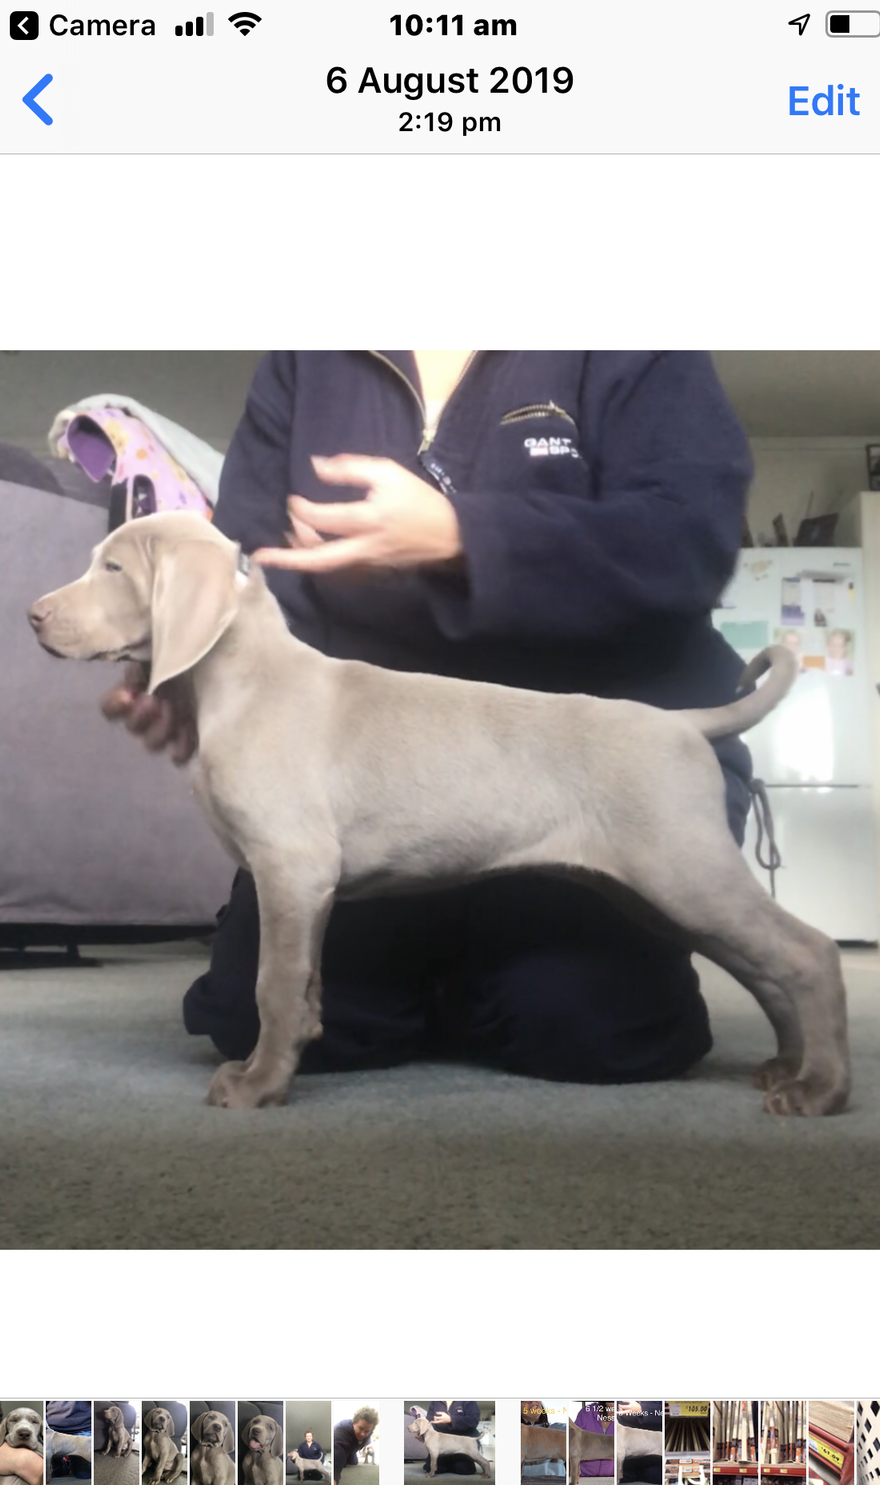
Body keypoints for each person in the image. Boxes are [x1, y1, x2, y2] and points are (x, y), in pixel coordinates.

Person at [103, 351, 754, 1087]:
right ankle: (445, 964)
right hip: (385, 782)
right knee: (249, 1016)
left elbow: (689, 540)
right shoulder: (304, 358)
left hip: (590, 764)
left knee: (589, 1031)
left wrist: (462, 535)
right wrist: (187, 671)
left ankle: (471, 967)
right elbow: (253, 571)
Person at [423, 1401, 482, 1476]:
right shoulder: (435, 1402)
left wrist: (451, 1419)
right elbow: (430, 1423)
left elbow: (473, 1420)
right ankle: (448, 1463)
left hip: (463, 1444)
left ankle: (454, 1463)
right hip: (442, 1445)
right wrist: (423, 1434)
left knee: (462, 1469)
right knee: (430, 1467)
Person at [333, 1406, 378, 1485]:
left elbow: (367, 1437)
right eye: (360, 1428)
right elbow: (339, 1450)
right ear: (353, 1424)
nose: (363, 1434)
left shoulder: (368, 1432)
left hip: (352, 1450)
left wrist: (369, 1444)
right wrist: (334, 1478)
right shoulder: (342, 1428)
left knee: (353, 1462)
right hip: (338, 1447)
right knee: (340, 1461)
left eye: (367, 1431)